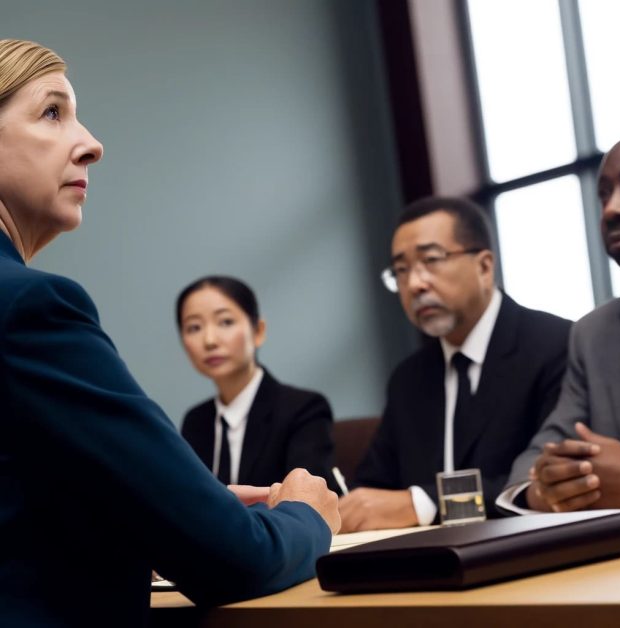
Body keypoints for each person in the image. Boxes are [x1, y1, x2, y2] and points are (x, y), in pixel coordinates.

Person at [0, 38, 339, 628]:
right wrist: (308, 516)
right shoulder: (31, 307)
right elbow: (238, 560)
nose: (93, 144)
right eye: (53, 112)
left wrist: (164, 509)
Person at [338, 196, 571, 532]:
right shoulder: (408, 379)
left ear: (485, 266)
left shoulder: (555, 345)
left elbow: (546, 481)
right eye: (401, 271)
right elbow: (375, 486)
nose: (415, 283)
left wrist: (425, 503)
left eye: (431, 260)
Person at [500, 136, 620, 514]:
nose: (611, 210)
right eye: (604, 194)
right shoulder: (593, 334)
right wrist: (550, 491)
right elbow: (534, 466)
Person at [177, 275, 338, 490]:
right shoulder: (196, 422)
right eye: (194, 327)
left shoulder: (303, 409)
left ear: (258, 331)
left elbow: (307, 502)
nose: (210, 340)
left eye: (226, 322)